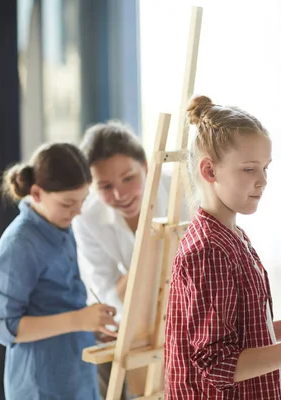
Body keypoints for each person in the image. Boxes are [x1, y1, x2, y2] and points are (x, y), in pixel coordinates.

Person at [164, 95, 281, 399]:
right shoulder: (209, 251)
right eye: (249, 169)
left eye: (265, 168)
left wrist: (274, 330)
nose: (263, 181)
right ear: (210, 171)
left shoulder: (232, 236)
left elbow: (225, 335)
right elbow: (216, 365)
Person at [0, 142, 118, 400]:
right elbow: (4, 326)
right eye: (68, 203)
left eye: (83, 200)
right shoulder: (18, 245)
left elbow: (56, 302)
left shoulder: (60, 222)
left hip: (76, 373)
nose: (78, 211)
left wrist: (90, 325)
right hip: (41, 384)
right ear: (36, 194)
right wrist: (79, 320)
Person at [73, 121, 187, 398]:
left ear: (146, 167)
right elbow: (109, 292)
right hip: (131, 319)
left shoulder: (183, 193)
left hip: (186, 307)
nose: (120, 194)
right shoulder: (87, 218)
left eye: (128, 178)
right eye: (105, 186)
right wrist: (145, 252)